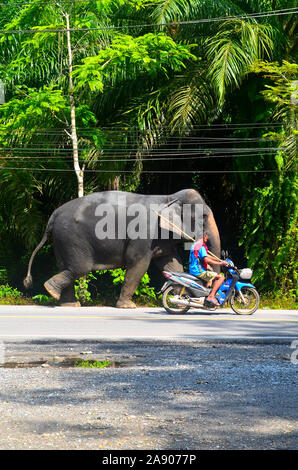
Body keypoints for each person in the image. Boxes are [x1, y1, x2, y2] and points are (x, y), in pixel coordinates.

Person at [189, 233, 228, 307]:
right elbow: (206, 259)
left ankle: (206, 296)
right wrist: (220, 263)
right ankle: (211, 296)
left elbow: (206, 255)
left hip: (194, 270)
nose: (207, 239)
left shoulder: (195, 245)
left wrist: (218, 259)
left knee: (211, 277)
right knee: (221, 277)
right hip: (199, 271)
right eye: (206, 237)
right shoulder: (201, 246)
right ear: (204, 236)